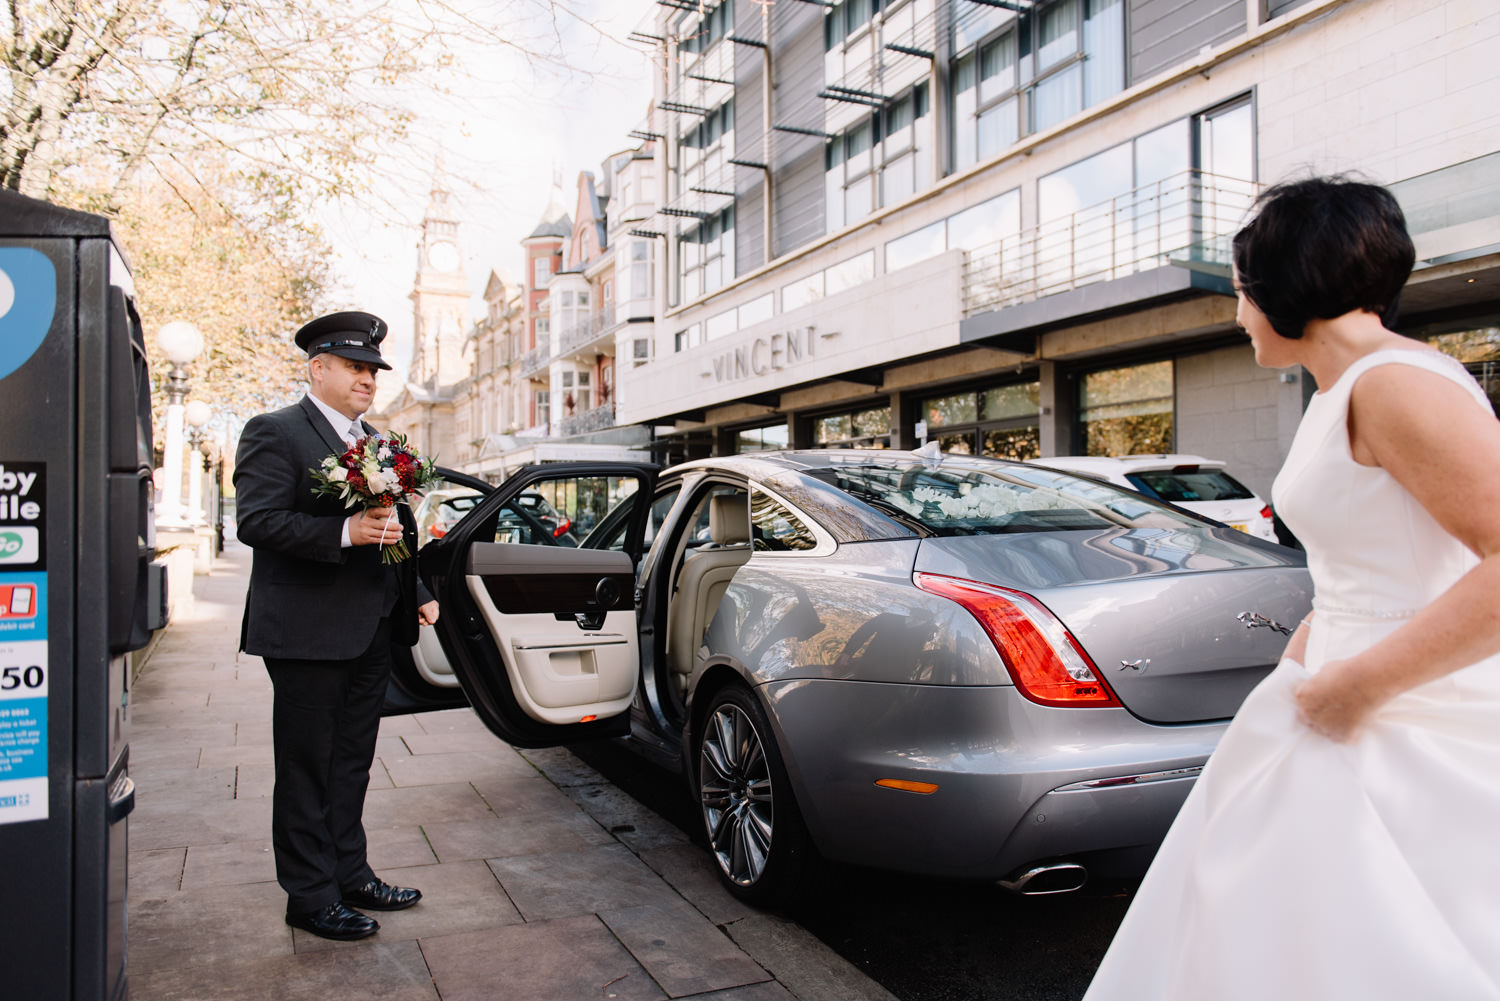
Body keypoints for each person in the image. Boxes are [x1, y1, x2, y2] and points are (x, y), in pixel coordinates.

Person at [1083, 177, 1500, 1000]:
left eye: (1240, 292)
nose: (1237, 315)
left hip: (1401, 714)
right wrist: (1309, 658)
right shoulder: (1340, 390)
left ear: (1283, 285)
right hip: (1325, 693)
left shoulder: (1397, 384)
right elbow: (1366, 556)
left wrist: (1355, 685)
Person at [234, 310, 439, 942]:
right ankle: (310, 895)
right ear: (317, 367)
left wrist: (420, 589)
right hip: (306, 631)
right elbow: (256, 521)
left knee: (351, 762)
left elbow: (392, 526)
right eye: (355, 366)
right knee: (306, 767)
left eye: (374, 369)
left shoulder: (376, 441)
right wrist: (341, 531)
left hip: (372, 625)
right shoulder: (275, 432)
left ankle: (351, 874)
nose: (368, 379)